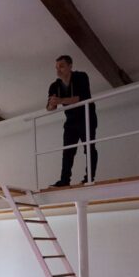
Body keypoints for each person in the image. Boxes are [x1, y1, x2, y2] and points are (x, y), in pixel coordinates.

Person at [47, 55, 98, 187]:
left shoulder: (81, 77)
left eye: (62, 66)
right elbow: (49, 107)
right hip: (71, 120)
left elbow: (82, 97)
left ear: (70, 66)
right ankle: (64, 180)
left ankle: (90, 178)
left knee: (89, 147)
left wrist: (60, 101)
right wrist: (52, 104)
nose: (58, 70)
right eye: (57, 67)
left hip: (86, 116)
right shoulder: (55, 85)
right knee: (68, 151)